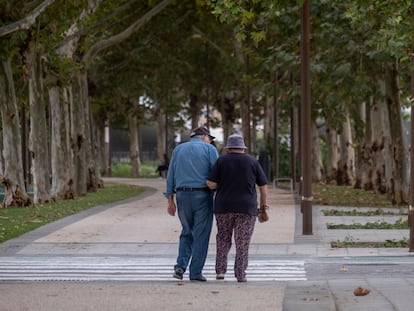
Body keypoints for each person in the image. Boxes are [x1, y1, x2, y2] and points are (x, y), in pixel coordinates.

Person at [206, 133, 268, 282]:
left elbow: (210, 183)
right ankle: (240, 274)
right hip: (246, 208)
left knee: (223, 239)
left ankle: (220, 271)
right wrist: (263, 206)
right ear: (243, 148)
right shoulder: (252, 162)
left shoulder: (221, 161)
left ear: (228, 148)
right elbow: (263, 186)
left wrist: (224, 184)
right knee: (242, 242)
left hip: (223, 207)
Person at [164, 126, 219, 282]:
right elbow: (216, 173)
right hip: (202, 195)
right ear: (203, 137)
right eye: (210, 138)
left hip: (182, 195)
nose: (210, 141)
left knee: (187, 231)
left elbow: (171, 175)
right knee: (201, 235)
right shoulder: (209, 150)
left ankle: (180, 267)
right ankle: (195, 272)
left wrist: (170, 200)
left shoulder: (178, 150)